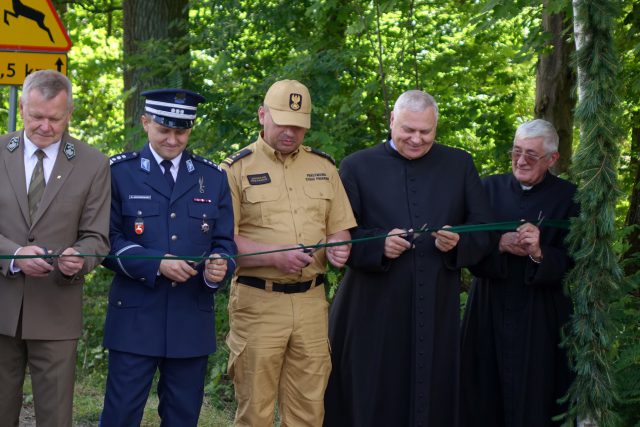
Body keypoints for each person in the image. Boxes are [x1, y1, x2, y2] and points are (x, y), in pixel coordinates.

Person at [323, 90, 494, 426]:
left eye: (426, 132)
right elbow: (338, 236)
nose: (417, 139)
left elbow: (484, 231)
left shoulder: (460, 165)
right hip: (371, 308)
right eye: (408, 130)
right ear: (392, 122)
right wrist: (377, 246)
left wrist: (459, 242)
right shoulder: (356, 166)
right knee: (372, 394)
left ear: (436, 128)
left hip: (435, 307)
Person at [221, 79, 356, 427]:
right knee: (256, 411)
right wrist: (274, 255)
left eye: (299, 125)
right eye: (283, 122)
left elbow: (339, 227)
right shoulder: (235, 170)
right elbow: (223, 243)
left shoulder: (324, 168)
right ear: (262, 115)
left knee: (309, 410)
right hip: (258, 303)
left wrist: (339, 249)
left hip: (312, 304)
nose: (291, 132)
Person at [100, 89, 236, 426]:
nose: (173, 140)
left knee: (182, 417)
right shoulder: (119, 173)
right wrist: (155, 262)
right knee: (120, 415)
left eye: (182, 131)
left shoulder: (212, 177)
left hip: (190, 318)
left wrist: (218, 269)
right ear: (145, 123)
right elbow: (105, 241)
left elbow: (224, 243)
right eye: (164, 130)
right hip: (134, 317)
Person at [0, 69, 110, 426]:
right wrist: (14, 256)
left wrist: (80, 258)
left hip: (57, 309)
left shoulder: (93, 163)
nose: (45, 126)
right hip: (1, 306)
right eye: (36, 117)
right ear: (22, 111)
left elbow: (97, 238)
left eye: (55, 118)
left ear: (69, 114)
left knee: (55, 417)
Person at [459, 119, 578, 427]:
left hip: (542, 314)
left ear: (552, 159)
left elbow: (576, 262)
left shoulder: (570, 198)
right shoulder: (486, 188)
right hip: (488, 306)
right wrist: (498, 243)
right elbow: (467, 247)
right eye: (516, 152)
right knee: (483, 393)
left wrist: (540, 253)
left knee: (539, 393)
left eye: (531, 155)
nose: (521, 161)